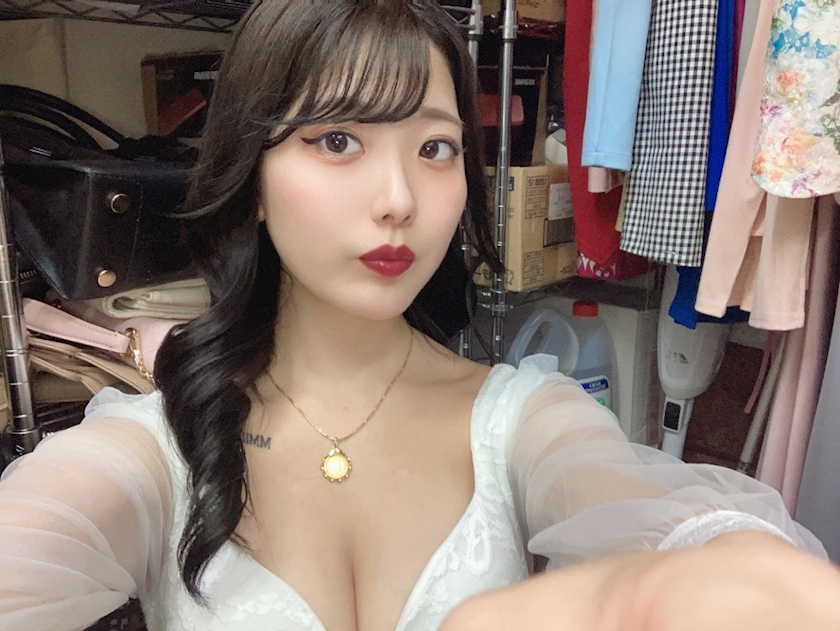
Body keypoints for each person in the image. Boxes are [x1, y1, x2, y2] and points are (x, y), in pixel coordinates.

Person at [1, 1, 840, 630]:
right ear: (250, 175)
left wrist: (696, 582)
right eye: (337, 140)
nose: (400, 199)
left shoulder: (522, 421)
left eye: (435, 148)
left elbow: (667, 516)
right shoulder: (152, 451)